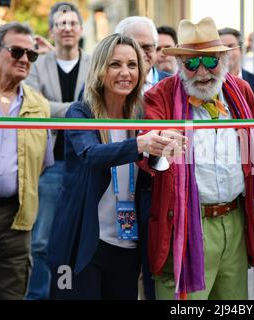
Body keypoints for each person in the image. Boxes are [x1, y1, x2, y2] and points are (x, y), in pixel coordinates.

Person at [141, 17, 254, 300]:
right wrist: (159, 146)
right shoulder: (160, 96)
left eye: (210, 61)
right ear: (180, 65)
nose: (202, 71)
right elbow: (147, 157)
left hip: (236, 219)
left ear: (225, 58)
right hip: (187, 223)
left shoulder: (242, 92)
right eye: (191, 64)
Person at [46, 33, 182, 300]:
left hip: (128, 243)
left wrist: (165, 149)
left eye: (132, 65)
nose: (125, 73)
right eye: (115, 64)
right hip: (82, 243)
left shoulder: (142, 116)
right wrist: (140, 145)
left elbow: (153, 172)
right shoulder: (81, 112)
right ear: (100, 69)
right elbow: (91, 154)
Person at [24, 2, 90, 300]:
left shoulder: (94, 64)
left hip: (87, 164)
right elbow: (36, 108)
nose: (66, 28)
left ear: (80, 29)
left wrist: (56, 110)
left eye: (72, 23)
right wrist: (78, 111)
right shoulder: (36, 65)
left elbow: (98, 107)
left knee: (82, 236)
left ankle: (74, 293)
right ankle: (39, 295)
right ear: (52, 29)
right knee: (41, 240)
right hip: (50, 164)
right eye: (61, 23)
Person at [0, 22, 53, 299]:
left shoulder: (40, 106)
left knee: (11, 293)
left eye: (32, 55)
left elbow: (41, 163)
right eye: (17, 52)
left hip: (14, 219)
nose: (25, 60)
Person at [114, 15, 171, 300]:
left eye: (150, 47)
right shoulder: (103, 90)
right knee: (119, 277)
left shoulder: (173, 88)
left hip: (155, 195)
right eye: (135, 45)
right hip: (112, 196)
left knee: (155, 275)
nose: (144, 53)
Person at [115, 16, 170, 93]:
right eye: (134, 47)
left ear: (155, 47)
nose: (141, 54)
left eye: (147, 47)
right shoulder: (109, 87)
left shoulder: (174, 85)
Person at [218, 27, 254, 101]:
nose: (226, 52)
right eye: (221, 48)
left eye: (231, 46)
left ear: (241, 50)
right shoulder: (207, 84)